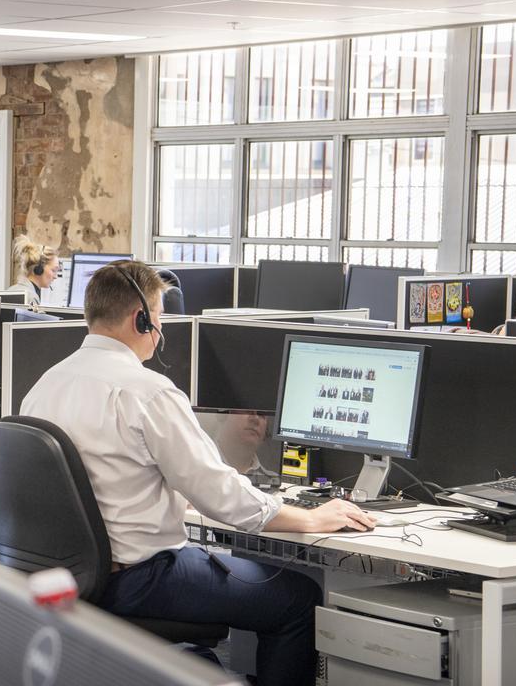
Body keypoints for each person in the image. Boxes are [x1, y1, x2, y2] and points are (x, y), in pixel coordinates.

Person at [19, 260, 374, 686]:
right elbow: (221, 496)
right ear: (142, 319)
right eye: (160, 319)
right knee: (298, 599)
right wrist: (311, 517)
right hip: (142, 578)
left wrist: (166, 491)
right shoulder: (148, 392)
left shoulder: (45, 384)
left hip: (73, 575)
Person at [11, 235, 59, 306]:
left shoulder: (14, 289)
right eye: (53, 270)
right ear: (39, 269)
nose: (56, 276)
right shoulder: (30, 298)